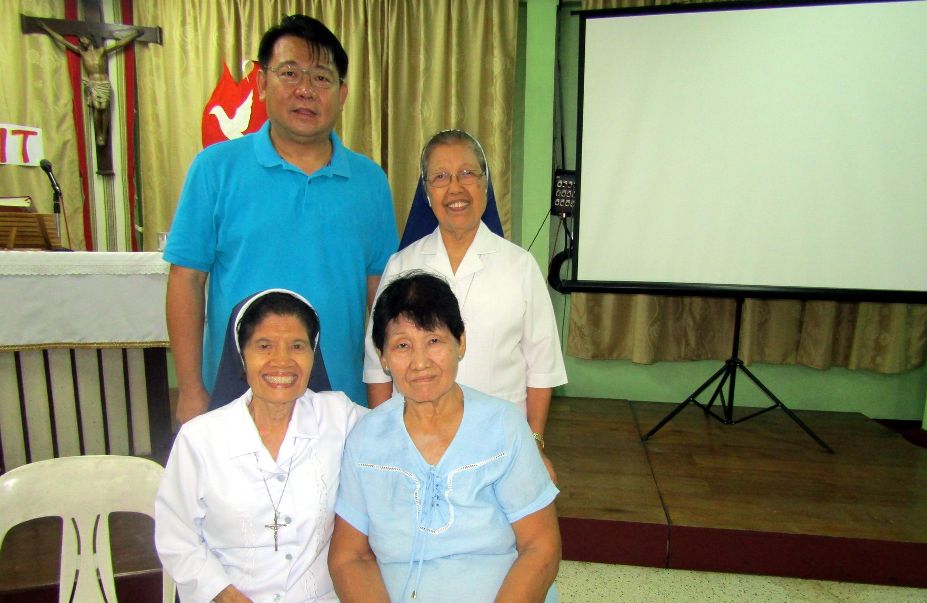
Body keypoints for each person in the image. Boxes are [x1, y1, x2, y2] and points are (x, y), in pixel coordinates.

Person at [330, 272, 561, 603]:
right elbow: (349, 558)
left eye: (434, 340)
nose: (420, 361)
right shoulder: (366, 439)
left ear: (461, 342)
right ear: (382, 357)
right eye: (401, 345)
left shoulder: (504, 427)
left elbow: (542, 548)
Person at [164, 14, 398, 423]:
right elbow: (186, 280)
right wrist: (190, 390)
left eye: (322, 78)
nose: (306, 89)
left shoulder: (370, 182)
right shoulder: (215, 169)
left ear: (342, 94)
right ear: (261, 84)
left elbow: (380, 294)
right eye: (290, 73)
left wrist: (384, 395)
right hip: (237, 393)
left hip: (340, 400)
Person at [150, 289, 364, 603]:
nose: (282, 362)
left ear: (313, 354)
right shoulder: (201, 438)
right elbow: (177, 541)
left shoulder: (340, 418)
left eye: (297, 346)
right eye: (264, 346)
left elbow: (408, 436)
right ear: (241, 355)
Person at [363, 129, 566, 478]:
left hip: (501, 444)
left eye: (468, 173)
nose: (455, 187)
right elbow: (376, 366)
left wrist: (534, 440)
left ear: (485, 184)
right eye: (440, 177)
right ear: (426, 192)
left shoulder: (520, 266)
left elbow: (542, 367)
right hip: (415, 444)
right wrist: (383, 441)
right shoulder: (401, 266)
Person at [38, 22, 142, 146]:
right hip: (93, 83)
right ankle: (99, 134)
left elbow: (120, 44)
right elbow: (62, 41)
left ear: (89, 39)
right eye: (81, 40)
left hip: (103, 82)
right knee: (97, 109)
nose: (83, 41)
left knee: (104, 107)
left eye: (84, 39)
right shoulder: (83, 53)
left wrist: (134, 34)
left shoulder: (101, 51)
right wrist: (46, 28)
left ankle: (103, 132)